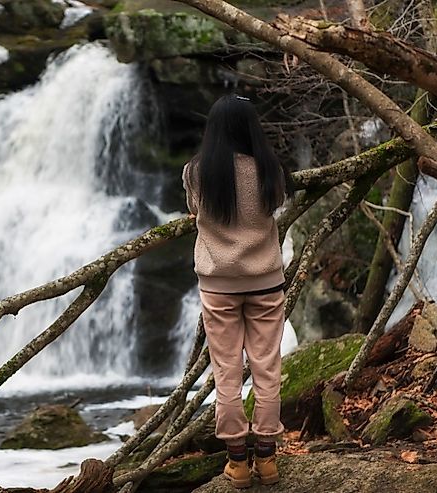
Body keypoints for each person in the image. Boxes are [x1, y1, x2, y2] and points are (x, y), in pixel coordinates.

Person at [182, 94, 291, 488]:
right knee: (267, 368)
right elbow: (275, 204)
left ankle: (238, 462)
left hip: (218, 285)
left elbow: (195, 211)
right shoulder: (268, 168)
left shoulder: (197, 171)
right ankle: (267, 458)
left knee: (226, 370)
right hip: (265, 282)